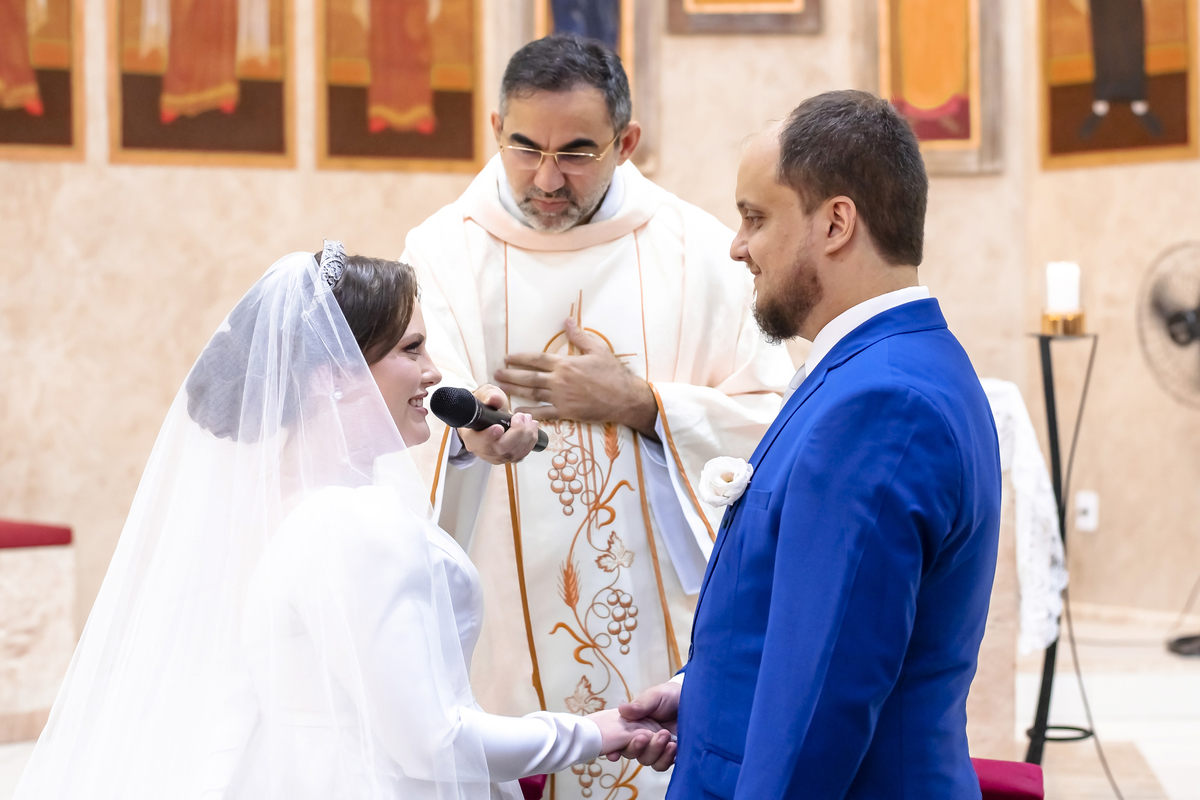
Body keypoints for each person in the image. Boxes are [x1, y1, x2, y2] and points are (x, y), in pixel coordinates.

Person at [13, 242, 663, 800]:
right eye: (412, 348)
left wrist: (470, 452)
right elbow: (433, 742)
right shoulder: (356, 527)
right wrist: (602, 731)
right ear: (335, 376)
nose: (436, 373)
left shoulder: (287, 497)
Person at [401, 34, 793, 800]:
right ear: (495, 129)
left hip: (658, 633)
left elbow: (776, 421)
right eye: (526, 147)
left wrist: (643, 405)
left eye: (578, 153)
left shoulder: (701, 254)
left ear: (627, 141)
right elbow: (407, 416)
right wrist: (467, 438)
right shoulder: (443, 251)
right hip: (502, 627)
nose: (547, 178)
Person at [618, 91, 1003, 798]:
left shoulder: (881, 405)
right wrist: (704, 693)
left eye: (756, 218)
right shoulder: (885, 366)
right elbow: (808, 619)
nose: (737, 246)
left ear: (835, 223)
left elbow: (824, 694)